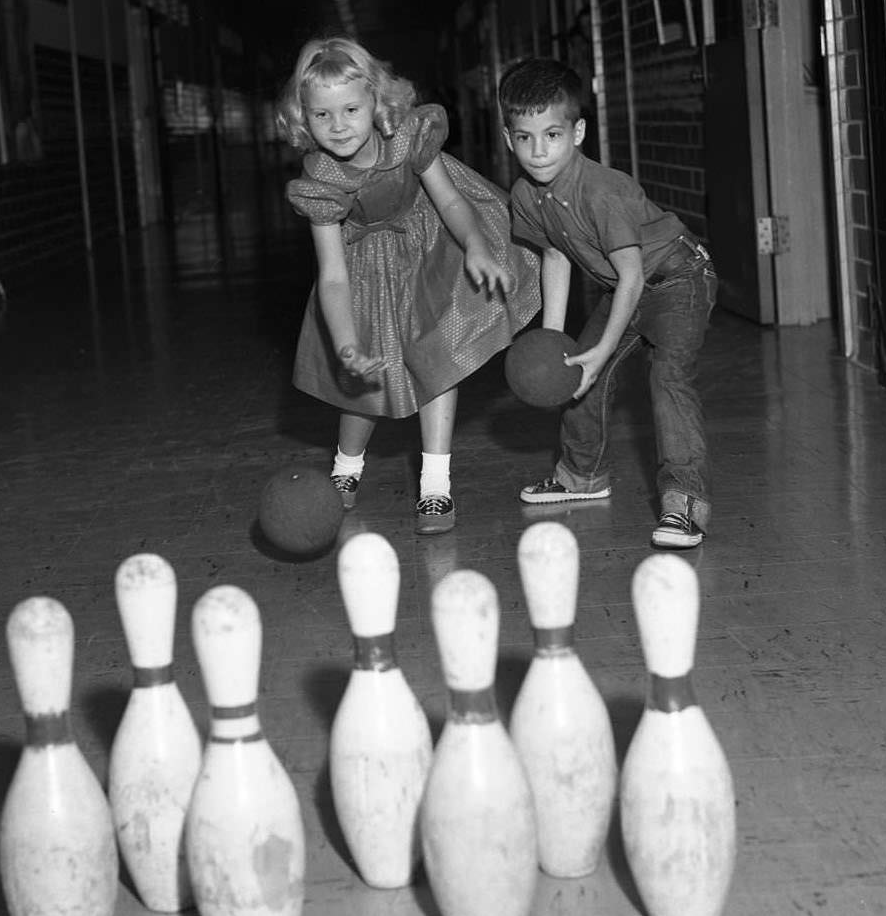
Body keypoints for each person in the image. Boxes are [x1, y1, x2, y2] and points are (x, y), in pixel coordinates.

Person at [279, 38, 540, 535]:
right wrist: (346, 344)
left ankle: (435, 487)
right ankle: (347, 466)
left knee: (441, 359)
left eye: (351, 109)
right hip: (365, 269)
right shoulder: (322, 179)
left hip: (427, 247)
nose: (338, 126)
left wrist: (478, 247)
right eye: (322, 116)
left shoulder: (407, 137)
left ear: (377, 102)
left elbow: (450, 201)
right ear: (303, 119)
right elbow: (332, 275)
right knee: (365, 381)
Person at [498, 56, 717, 549]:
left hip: (679, 278)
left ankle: (684, 504)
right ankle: (582, 475)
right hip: (625, 289)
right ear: (508, 137)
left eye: (551, 135)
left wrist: (600, 353)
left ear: (577, 133)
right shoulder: (526, 195)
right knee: (580, 368)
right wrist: (557, 345)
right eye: (525, 137)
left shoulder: (602, 191)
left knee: (668, 378)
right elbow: (555, 255)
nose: (538, 151)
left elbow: (633, 276)